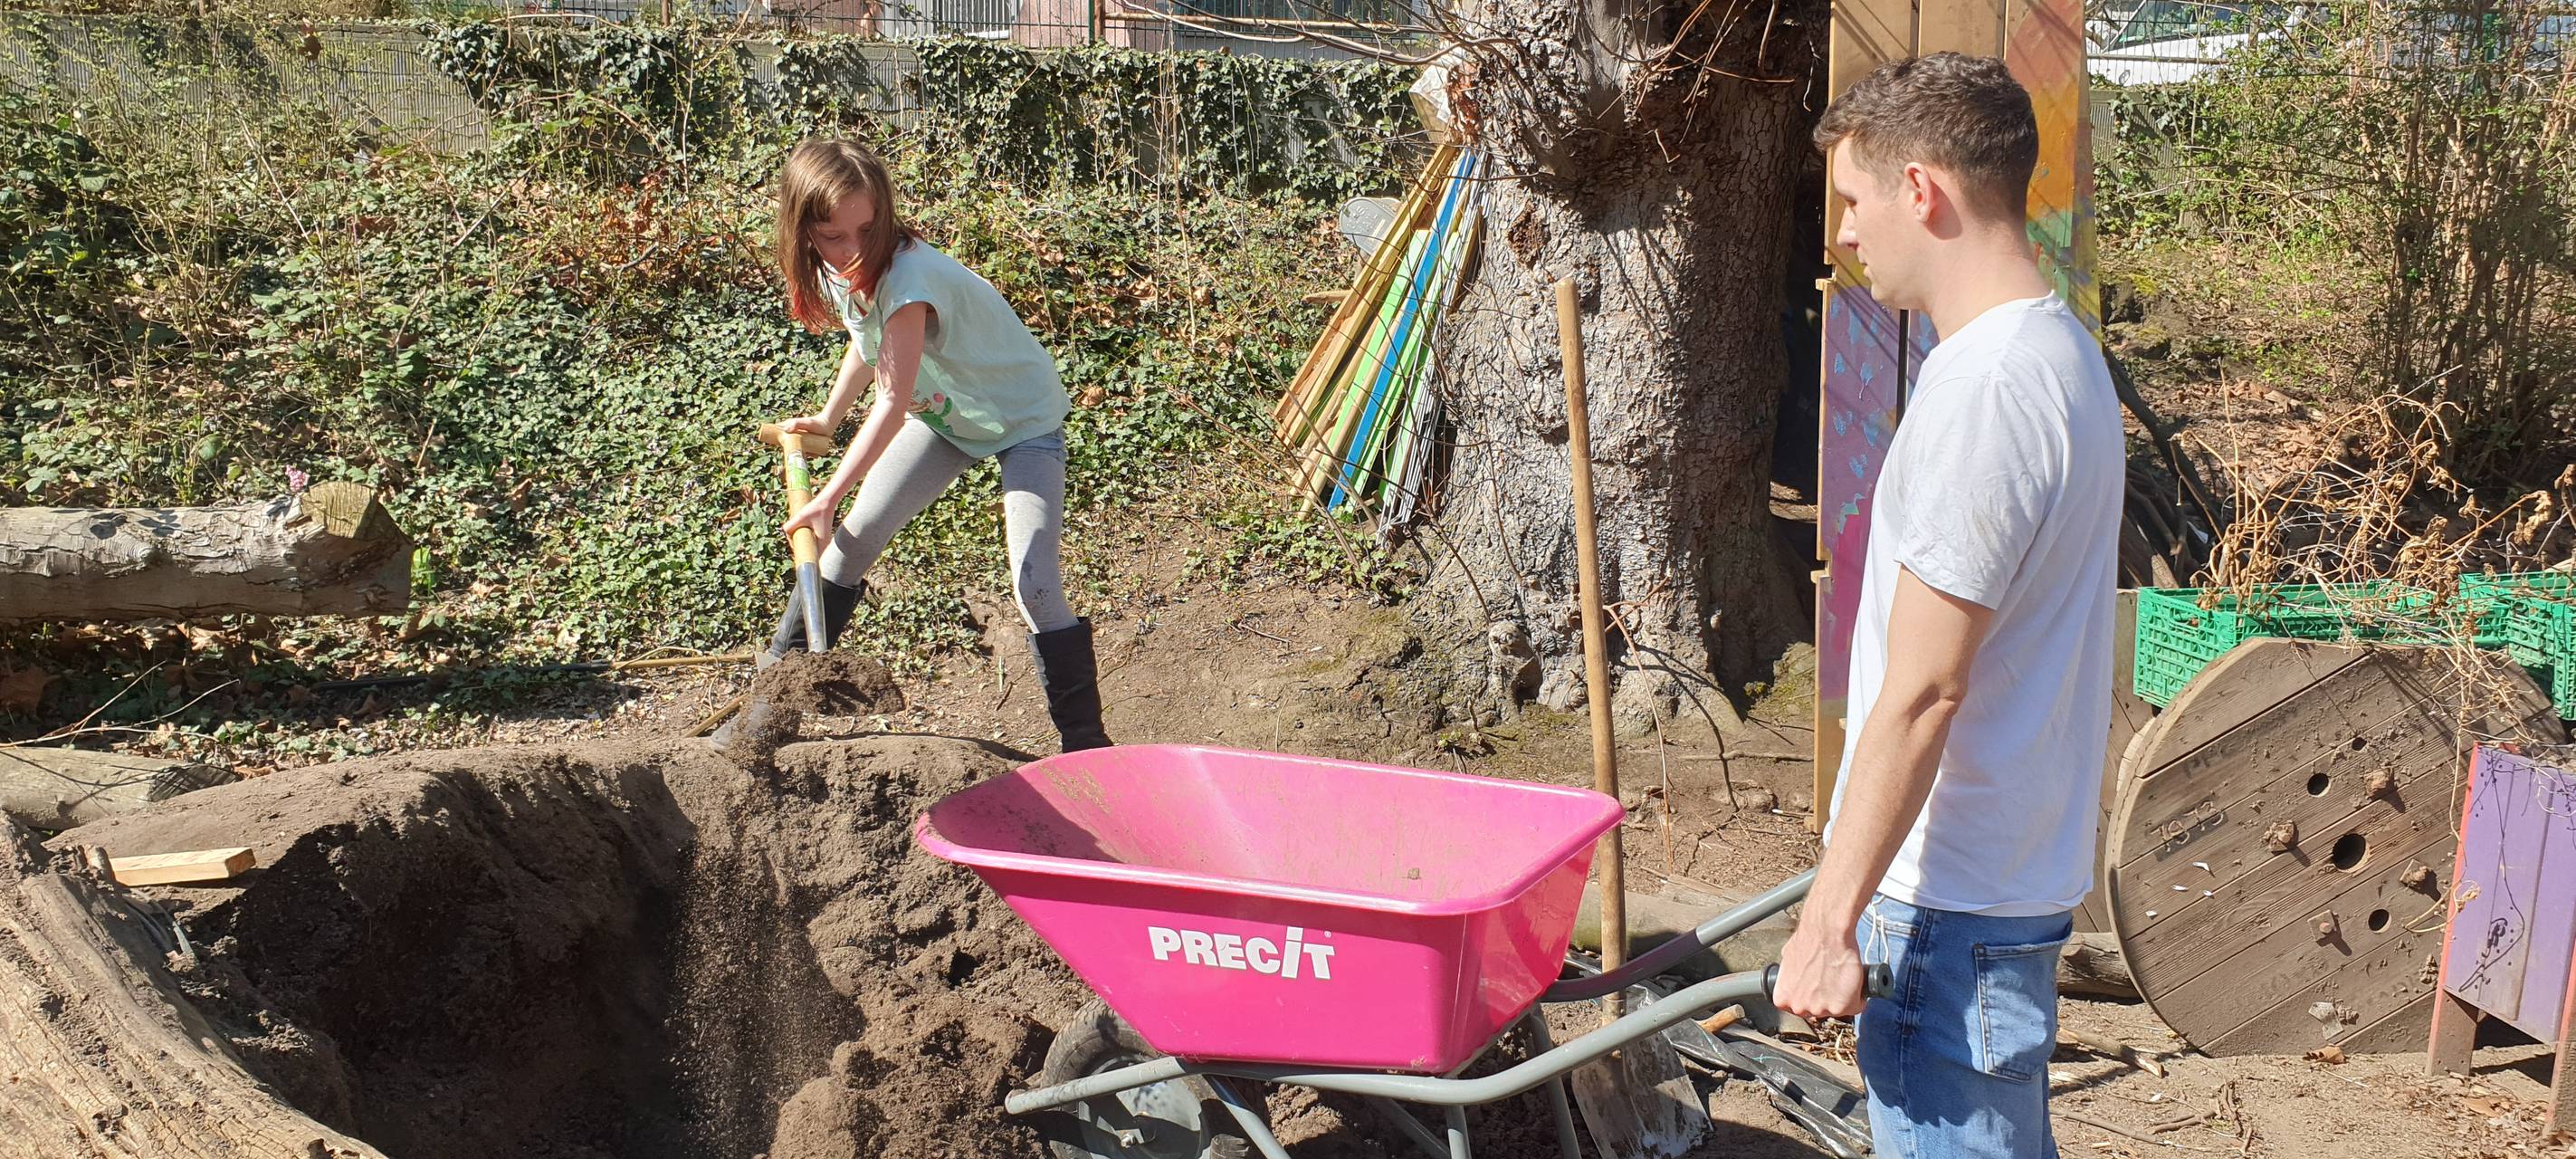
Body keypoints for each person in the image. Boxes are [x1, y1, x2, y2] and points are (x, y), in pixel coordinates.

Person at [1771, 53, 2123, 1158]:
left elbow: (1924, 689)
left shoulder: (1987, 392)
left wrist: (1829, 920)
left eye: (1852, 200)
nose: (1844, 233)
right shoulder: (2058, 356)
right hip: (1996, 882)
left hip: (1945, 907)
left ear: (1920, 190)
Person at [758, 138, 1109, 753]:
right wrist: (829, 417)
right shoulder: (839, 269)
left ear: (884, 213)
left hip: (1022, 420)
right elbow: (869, 345)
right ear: (802, 228)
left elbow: (893, 403)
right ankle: (764, 721)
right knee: (847, 550)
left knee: (1036, 585)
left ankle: (1088, 748)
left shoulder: (910, 277)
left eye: (867, 230)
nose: (854, 249)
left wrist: (828, 496)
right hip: (950, 418)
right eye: (834, 236)